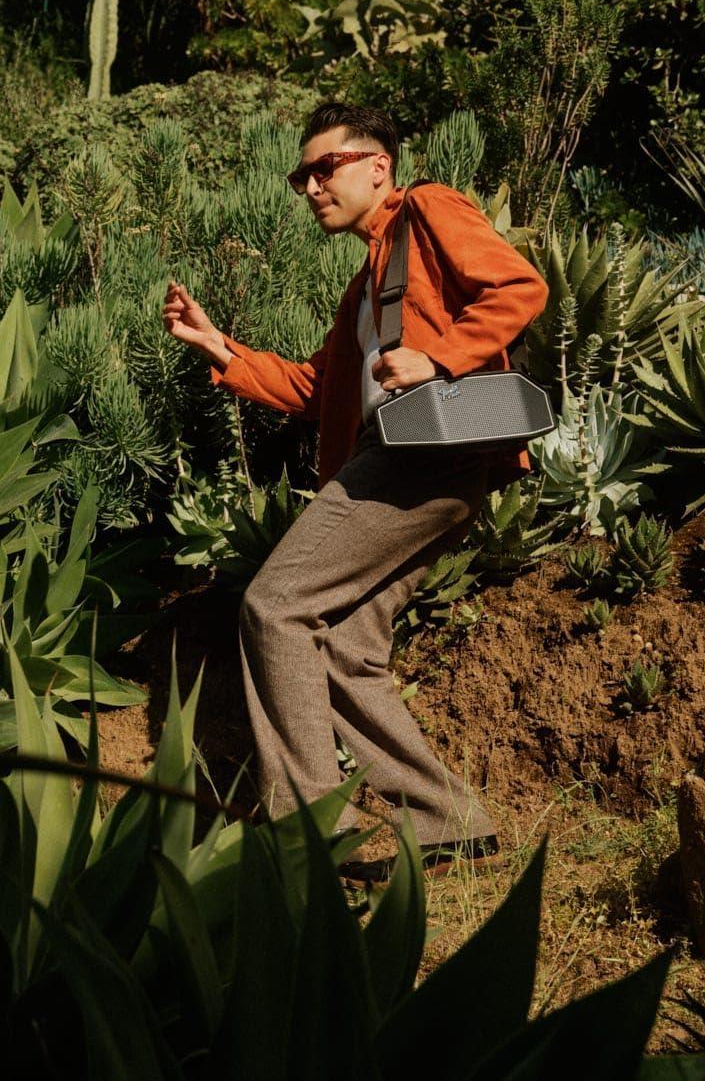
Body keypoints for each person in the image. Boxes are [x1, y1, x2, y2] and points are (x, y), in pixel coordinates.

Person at [161, 101, 549, 878]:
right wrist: (221, 349)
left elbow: (517, 287)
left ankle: (311, 832)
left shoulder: (430, 210)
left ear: (379, 166)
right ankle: (446, 818)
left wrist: (440, 360)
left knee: (277, 606)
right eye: (301, 175)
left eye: (324, 168)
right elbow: (315, 387)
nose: (309, 186)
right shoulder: (367, 286)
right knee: (342, 645)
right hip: (415, 460)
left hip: (424, 454)